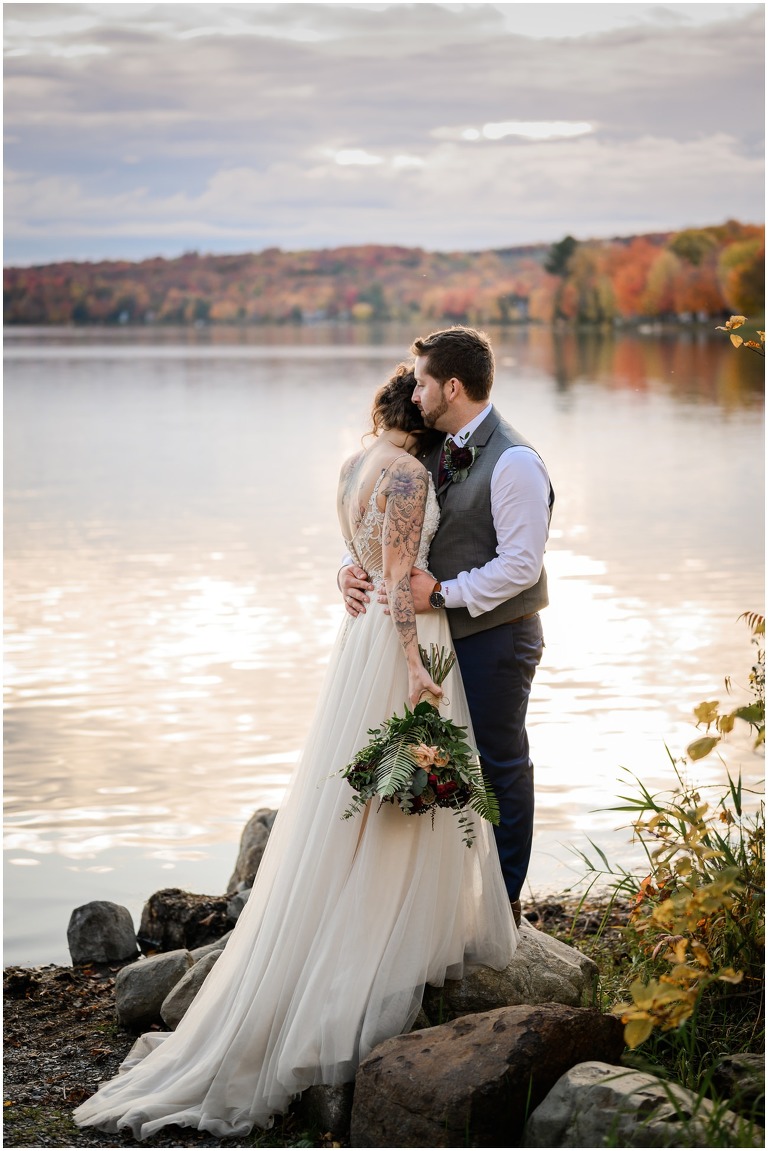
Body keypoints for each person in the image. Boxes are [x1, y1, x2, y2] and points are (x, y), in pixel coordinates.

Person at [73, 363, 516, 1141]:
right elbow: (396, 576)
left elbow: (360, 556)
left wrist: (353, 578)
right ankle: (379, 953)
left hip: (357, 642)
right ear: (417, 414)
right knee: (397, 794)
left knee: (360, 796)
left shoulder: (352, 464)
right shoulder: (410, 474)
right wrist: (414, 666)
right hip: (396, 642)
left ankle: (358, 930)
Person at [340, 327, 554, 924]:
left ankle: (504, 903)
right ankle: (440, 906)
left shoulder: (515, 461)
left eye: (423, 382)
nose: (414, 392)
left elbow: (521, 565)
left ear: (452, 386)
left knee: (498, 764)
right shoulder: (425, 448)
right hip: (434, 637)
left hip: (497, 637)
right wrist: (349, 572)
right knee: (434, 764)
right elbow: (388, 529)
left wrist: (440, 594)